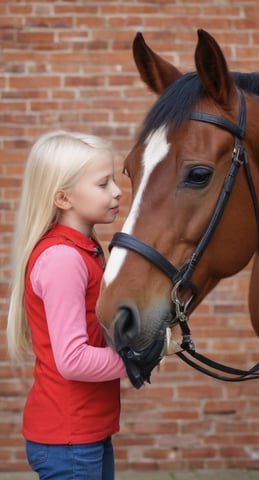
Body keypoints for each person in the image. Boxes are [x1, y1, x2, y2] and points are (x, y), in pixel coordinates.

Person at [7, 130, 126, 480]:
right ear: (63, 198)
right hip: (69, 441)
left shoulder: (85, 248)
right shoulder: (63, 259)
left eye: (114, 180)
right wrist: (138, 359)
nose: (117, 191)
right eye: (103, 183)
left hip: (85, 433)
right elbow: (73, 360)